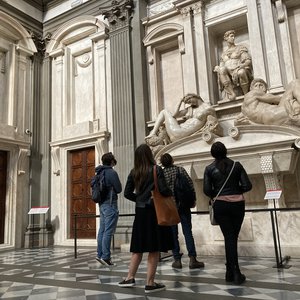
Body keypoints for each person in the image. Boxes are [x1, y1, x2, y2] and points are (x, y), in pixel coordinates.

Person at [119, 144, 174, 293]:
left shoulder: (134, 172)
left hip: (140, 213)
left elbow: (127, 193)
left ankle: (129, 277)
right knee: (154, 248)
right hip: (154, 212)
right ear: (149, 155)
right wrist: (170, 193)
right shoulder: (156, 169)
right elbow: (163, 189)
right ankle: (150, 282)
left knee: (138, 247)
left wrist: (139, 199)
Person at [203, 142, 252, 285]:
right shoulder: (237, 165)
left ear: (212, 154)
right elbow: (247, 185)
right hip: (237, 204)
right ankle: (234, 271)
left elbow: (206, 190)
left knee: (229, 237)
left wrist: (218, 195)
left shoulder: (209, 168)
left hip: (220, 205)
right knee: (232, 237)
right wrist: (236, 191)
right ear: (226, 151)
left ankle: (231, 271)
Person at [160, 153, 205, 269]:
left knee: (173, 234)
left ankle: (177, 260)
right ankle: (192, 258)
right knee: (187, 232)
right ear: (172, 160)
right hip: (183, 205)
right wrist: (193, 200)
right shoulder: (180, 170)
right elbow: (190, 185)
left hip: (170, 207)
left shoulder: (162, 174)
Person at [145, 93, 217, 144]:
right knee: (164, 111)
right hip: (178, 131)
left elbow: (212, 120)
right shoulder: (190, 109)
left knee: (164, 112)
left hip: (181, 133)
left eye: (189, 101)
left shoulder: (207, 107)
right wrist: (180, 102)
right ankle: (153, 133)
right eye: (188, 102)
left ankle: (153, 133)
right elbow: (174, 115)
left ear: (194, 97)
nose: (190, 103)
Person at [95, 152, 122, 266]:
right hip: (110, 204)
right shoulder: (111, 172)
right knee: (108, 231)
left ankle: (100, 254)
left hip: (102, 205)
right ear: (111, 161)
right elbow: (119, 189)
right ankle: (106, 257)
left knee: (102, 230)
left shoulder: (99, 172)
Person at [214, 30, 253, 101]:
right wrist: (218, 68)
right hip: (228, 72)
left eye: (233, 36)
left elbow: (248, 61)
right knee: (222, 70)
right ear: (226, 38)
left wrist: (240, 67)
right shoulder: (224, 54)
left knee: (241, 72)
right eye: (231, 36)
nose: (233, 38)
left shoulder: (240, 48)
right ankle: (232, 94)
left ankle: (246, 94)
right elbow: (222, 65)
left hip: (239, 68)